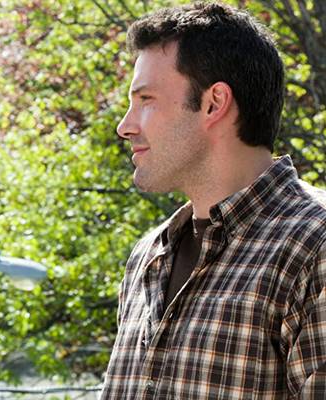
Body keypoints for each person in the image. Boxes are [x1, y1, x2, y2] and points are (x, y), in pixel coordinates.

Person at [101, 2, 326, 399]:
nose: (125, 126)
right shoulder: (148, 256)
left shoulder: (315, 247)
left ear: (214, 103)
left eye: (146, 99)